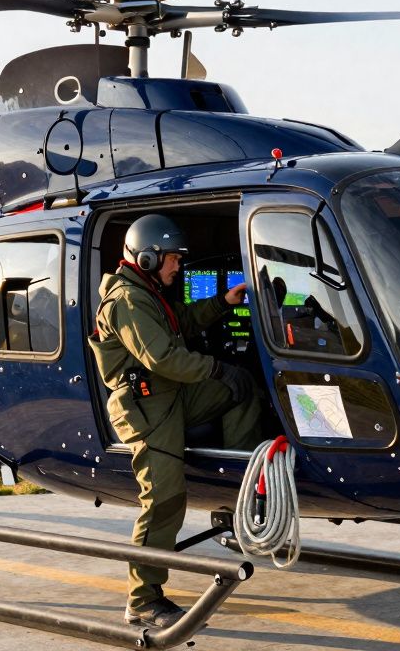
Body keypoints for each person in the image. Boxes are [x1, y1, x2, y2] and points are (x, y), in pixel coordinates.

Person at [88, 213, 262, 629]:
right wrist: (215, 369)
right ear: (147, 257)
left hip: (171, 393)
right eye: (172, 259)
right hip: (146, 405)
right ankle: (142, 599)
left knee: (243, 388)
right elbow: (163, 357)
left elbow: (178, 324)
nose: (177, 266)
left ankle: (237, 500)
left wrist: (222, 303)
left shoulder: (147, 291)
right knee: (163, 498)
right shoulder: (128, 300)